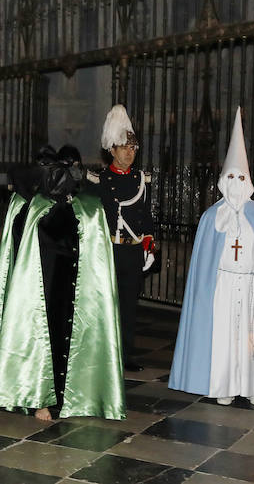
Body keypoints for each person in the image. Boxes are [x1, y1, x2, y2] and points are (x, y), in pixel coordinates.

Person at [0, 145, 125, 421]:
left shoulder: (87, 206)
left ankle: (75, 395)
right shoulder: (30, 206)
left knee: (70, 338)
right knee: (42, 339)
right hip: (39, 288)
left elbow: (93, 246)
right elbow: (22, 248)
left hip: (73, 285)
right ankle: (39, 398)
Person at [169, 108, 254, 405]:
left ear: (248, 180)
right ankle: (223, 386)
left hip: (252, 286)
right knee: (224, 339)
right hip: (223, 288)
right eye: (232, 177)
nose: (237, 182)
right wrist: (204, 294)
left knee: (253, 338)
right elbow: (202, 265)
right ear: (224, 180)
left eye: (242, 177)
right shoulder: (212, 217)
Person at [90, 104, 157, 372]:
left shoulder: (142, 179)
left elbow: (146, 215)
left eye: (133, 148)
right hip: (109, 250)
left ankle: (125, 355)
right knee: (105, 304)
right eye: (124, 147)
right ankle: (102, 352)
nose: (130, 153)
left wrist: (149, 241)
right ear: (112, 150)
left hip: (132, 251)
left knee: (129, 306)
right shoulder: (100, 179)